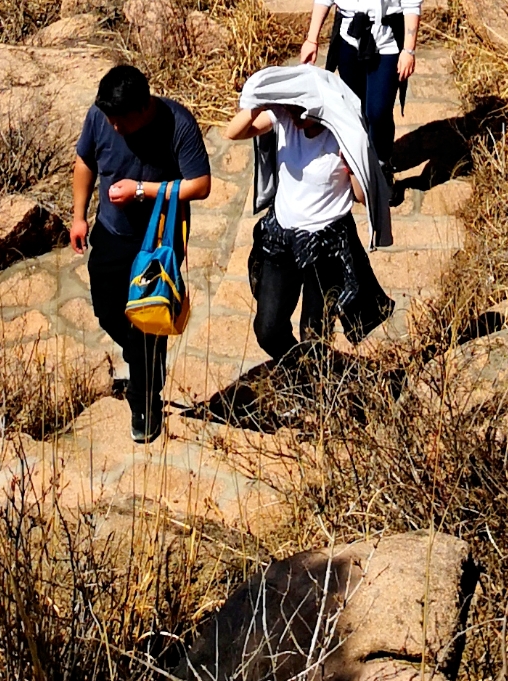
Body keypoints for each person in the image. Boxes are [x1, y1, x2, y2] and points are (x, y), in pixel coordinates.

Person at [69, 61, 211, 446]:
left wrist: (142, 191)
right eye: (109, 119)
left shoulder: (178, 123)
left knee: (146, 321)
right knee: (108, 311)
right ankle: (146, 361)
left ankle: (143, 399)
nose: (113, 127)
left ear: (143, 107)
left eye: (120, 121)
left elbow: (200, 185)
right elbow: (85, 162)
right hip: (111, 232)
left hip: (158, 242)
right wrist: (79, 215)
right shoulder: (101, 116)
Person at [226, 62, 393, 363]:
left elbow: (359, 196)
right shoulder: (283, 120)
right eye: (290, 108)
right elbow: (233, 132)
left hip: (325, 248)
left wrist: (353, 164)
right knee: (268, 328)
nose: (295, 115)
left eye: (300, 110)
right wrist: (257, 99)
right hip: (281, 240)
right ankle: (301, 372)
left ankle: (313, 389)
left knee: (313, 333)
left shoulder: (343, 135)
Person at [299, 0, 423, 183]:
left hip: (387, 41)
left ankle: (382, 164)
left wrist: (409, 50)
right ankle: (358, 160)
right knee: (353, 107)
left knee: (378, 111)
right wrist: (312, 38)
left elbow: (412, 0)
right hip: (349, 39)